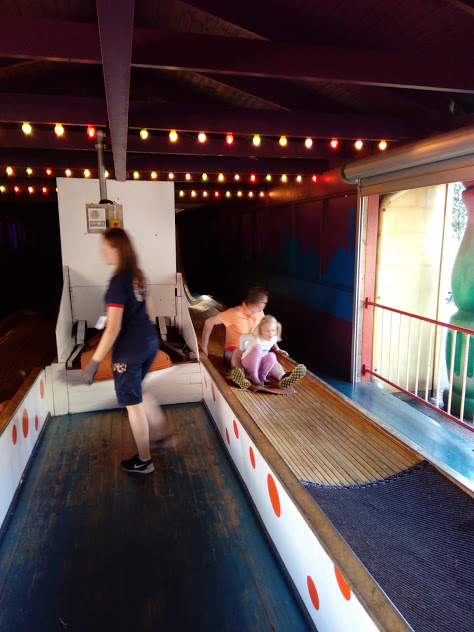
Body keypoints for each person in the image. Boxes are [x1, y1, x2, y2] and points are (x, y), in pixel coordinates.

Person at [81, 227, 172, 474]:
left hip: (128, 353)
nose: (102, 253)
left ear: (117, 250)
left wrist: (94, 362)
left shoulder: (117, 282)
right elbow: (150, 312)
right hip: (149, 342)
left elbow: (113, 329)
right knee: (138, 391)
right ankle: (161, 436)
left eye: (105, 249)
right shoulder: (138, 276)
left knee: (132, 404)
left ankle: (144, 461)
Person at [201, 287, 306, 390]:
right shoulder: (235, 313)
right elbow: (208, 322)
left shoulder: (260, 314)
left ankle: (282, 377)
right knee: (239, 352)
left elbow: (267, 333)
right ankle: (240, 376)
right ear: (260, 303)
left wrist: (277, 349)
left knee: (269, 356)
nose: (265, 305)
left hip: (252, 352)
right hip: (232, 352)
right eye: (265, 303)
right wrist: (204, 347)